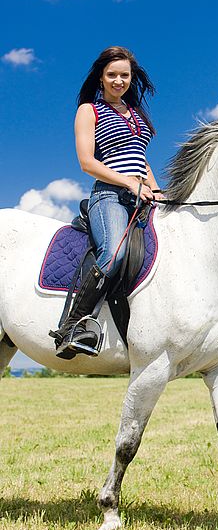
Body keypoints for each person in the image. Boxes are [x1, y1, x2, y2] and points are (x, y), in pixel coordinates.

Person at [51, 46, 164, 360]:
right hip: (109, 197)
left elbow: (141, 161)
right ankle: (73, 325)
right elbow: (87, 162)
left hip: (141, 197)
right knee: (114, 251)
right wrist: (129, 182)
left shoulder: (136, 114)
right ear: (100, 77)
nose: (119, 80)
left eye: (124, 75)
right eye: (112, 74)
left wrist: (156, 190)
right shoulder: (89, 110)